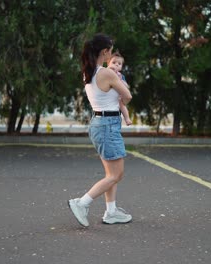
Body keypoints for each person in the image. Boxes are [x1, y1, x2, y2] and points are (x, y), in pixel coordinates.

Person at [68, 33, 133, 227]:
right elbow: (128, 96)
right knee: (116, 174)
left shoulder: (90, 72)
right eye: (110, 51)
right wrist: (121, 98)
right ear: (105, 52)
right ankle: (81, 203)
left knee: (110, 174)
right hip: (107, 126)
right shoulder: (107, 73)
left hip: (99, 124)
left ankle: (111, 212)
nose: (111, 54)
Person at [107, 51, 133, 126]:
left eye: (119, 63)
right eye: (114, 62)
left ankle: (127, 118)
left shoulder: (121, 76)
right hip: (108, 96)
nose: (116, 65)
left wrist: (120, 80)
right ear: (108, 63)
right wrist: (109, 69)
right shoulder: (106, 72)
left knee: (122, 105)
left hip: (118, 97)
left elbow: (127, 87)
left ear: (121, 67)